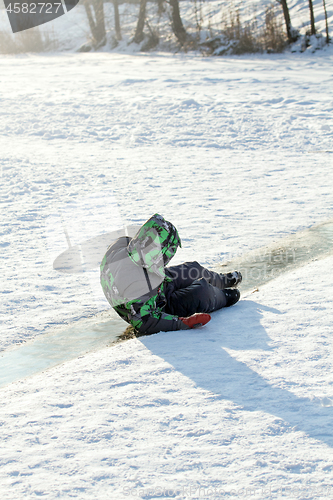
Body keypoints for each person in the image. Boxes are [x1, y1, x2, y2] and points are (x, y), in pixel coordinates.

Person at [100, 214, 242, 335]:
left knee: (192, 269)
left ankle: (222, 280)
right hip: (156, 307)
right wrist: (182, 323)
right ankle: (223, 296)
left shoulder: (123, 246)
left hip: (154, 279)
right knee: (201, 293)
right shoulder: (137, 284)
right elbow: (145, 322)